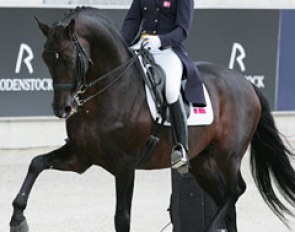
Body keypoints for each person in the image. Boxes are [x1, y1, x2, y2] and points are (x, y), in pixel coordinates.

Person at [121, 0, 206, 172]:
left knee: (171, 91)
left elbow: (182, 30)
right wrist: (123, 44)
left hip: (168, 50)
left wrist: (160, 40)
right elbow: (132, 21)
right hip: (142, 47)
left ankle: (181, 150)